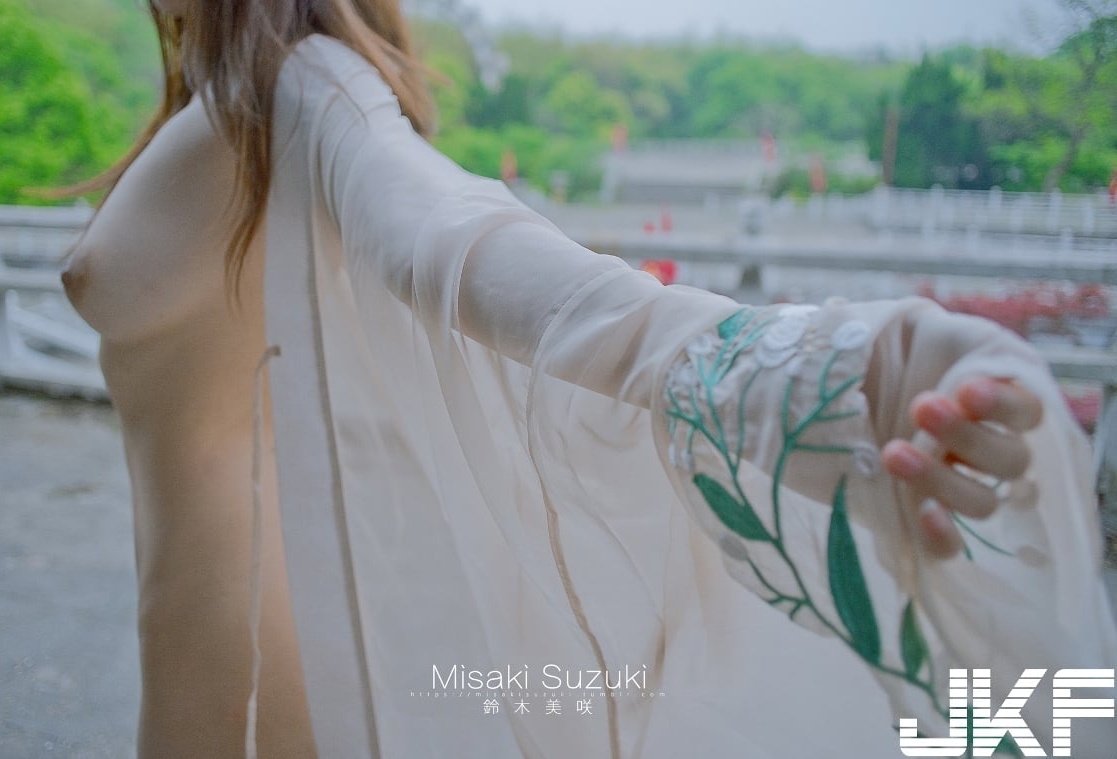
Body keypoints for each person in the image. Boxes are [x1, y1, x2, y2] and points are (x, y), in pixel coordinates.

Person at [59, 1, 1117, 757]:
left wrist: (813, 374)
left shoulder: (304, 78)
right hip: (192, 662)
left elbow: (450, 239)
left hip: (260, 686)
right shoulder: (218, 98)